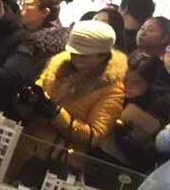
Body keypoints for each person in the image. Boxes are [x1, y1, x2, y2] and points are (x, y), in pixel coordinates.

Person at [17, 20, 127, 165]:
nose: (76, 57)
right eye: (73, 52)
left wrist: (56, 114)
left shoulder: (111, 89)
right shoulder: (58, 64)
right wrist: (29, 100)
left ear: (102, 55)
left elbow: (94, 136)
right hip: (25, 147)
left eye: (84, 55)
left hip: (59, 161)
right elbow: (40, 88)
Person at [17, 0, 72, 72]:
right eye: (21, 1)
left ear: (44, 12)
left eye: (27, 3)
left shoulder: (48, 47)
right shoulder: (17, 30)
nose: (20, 7)